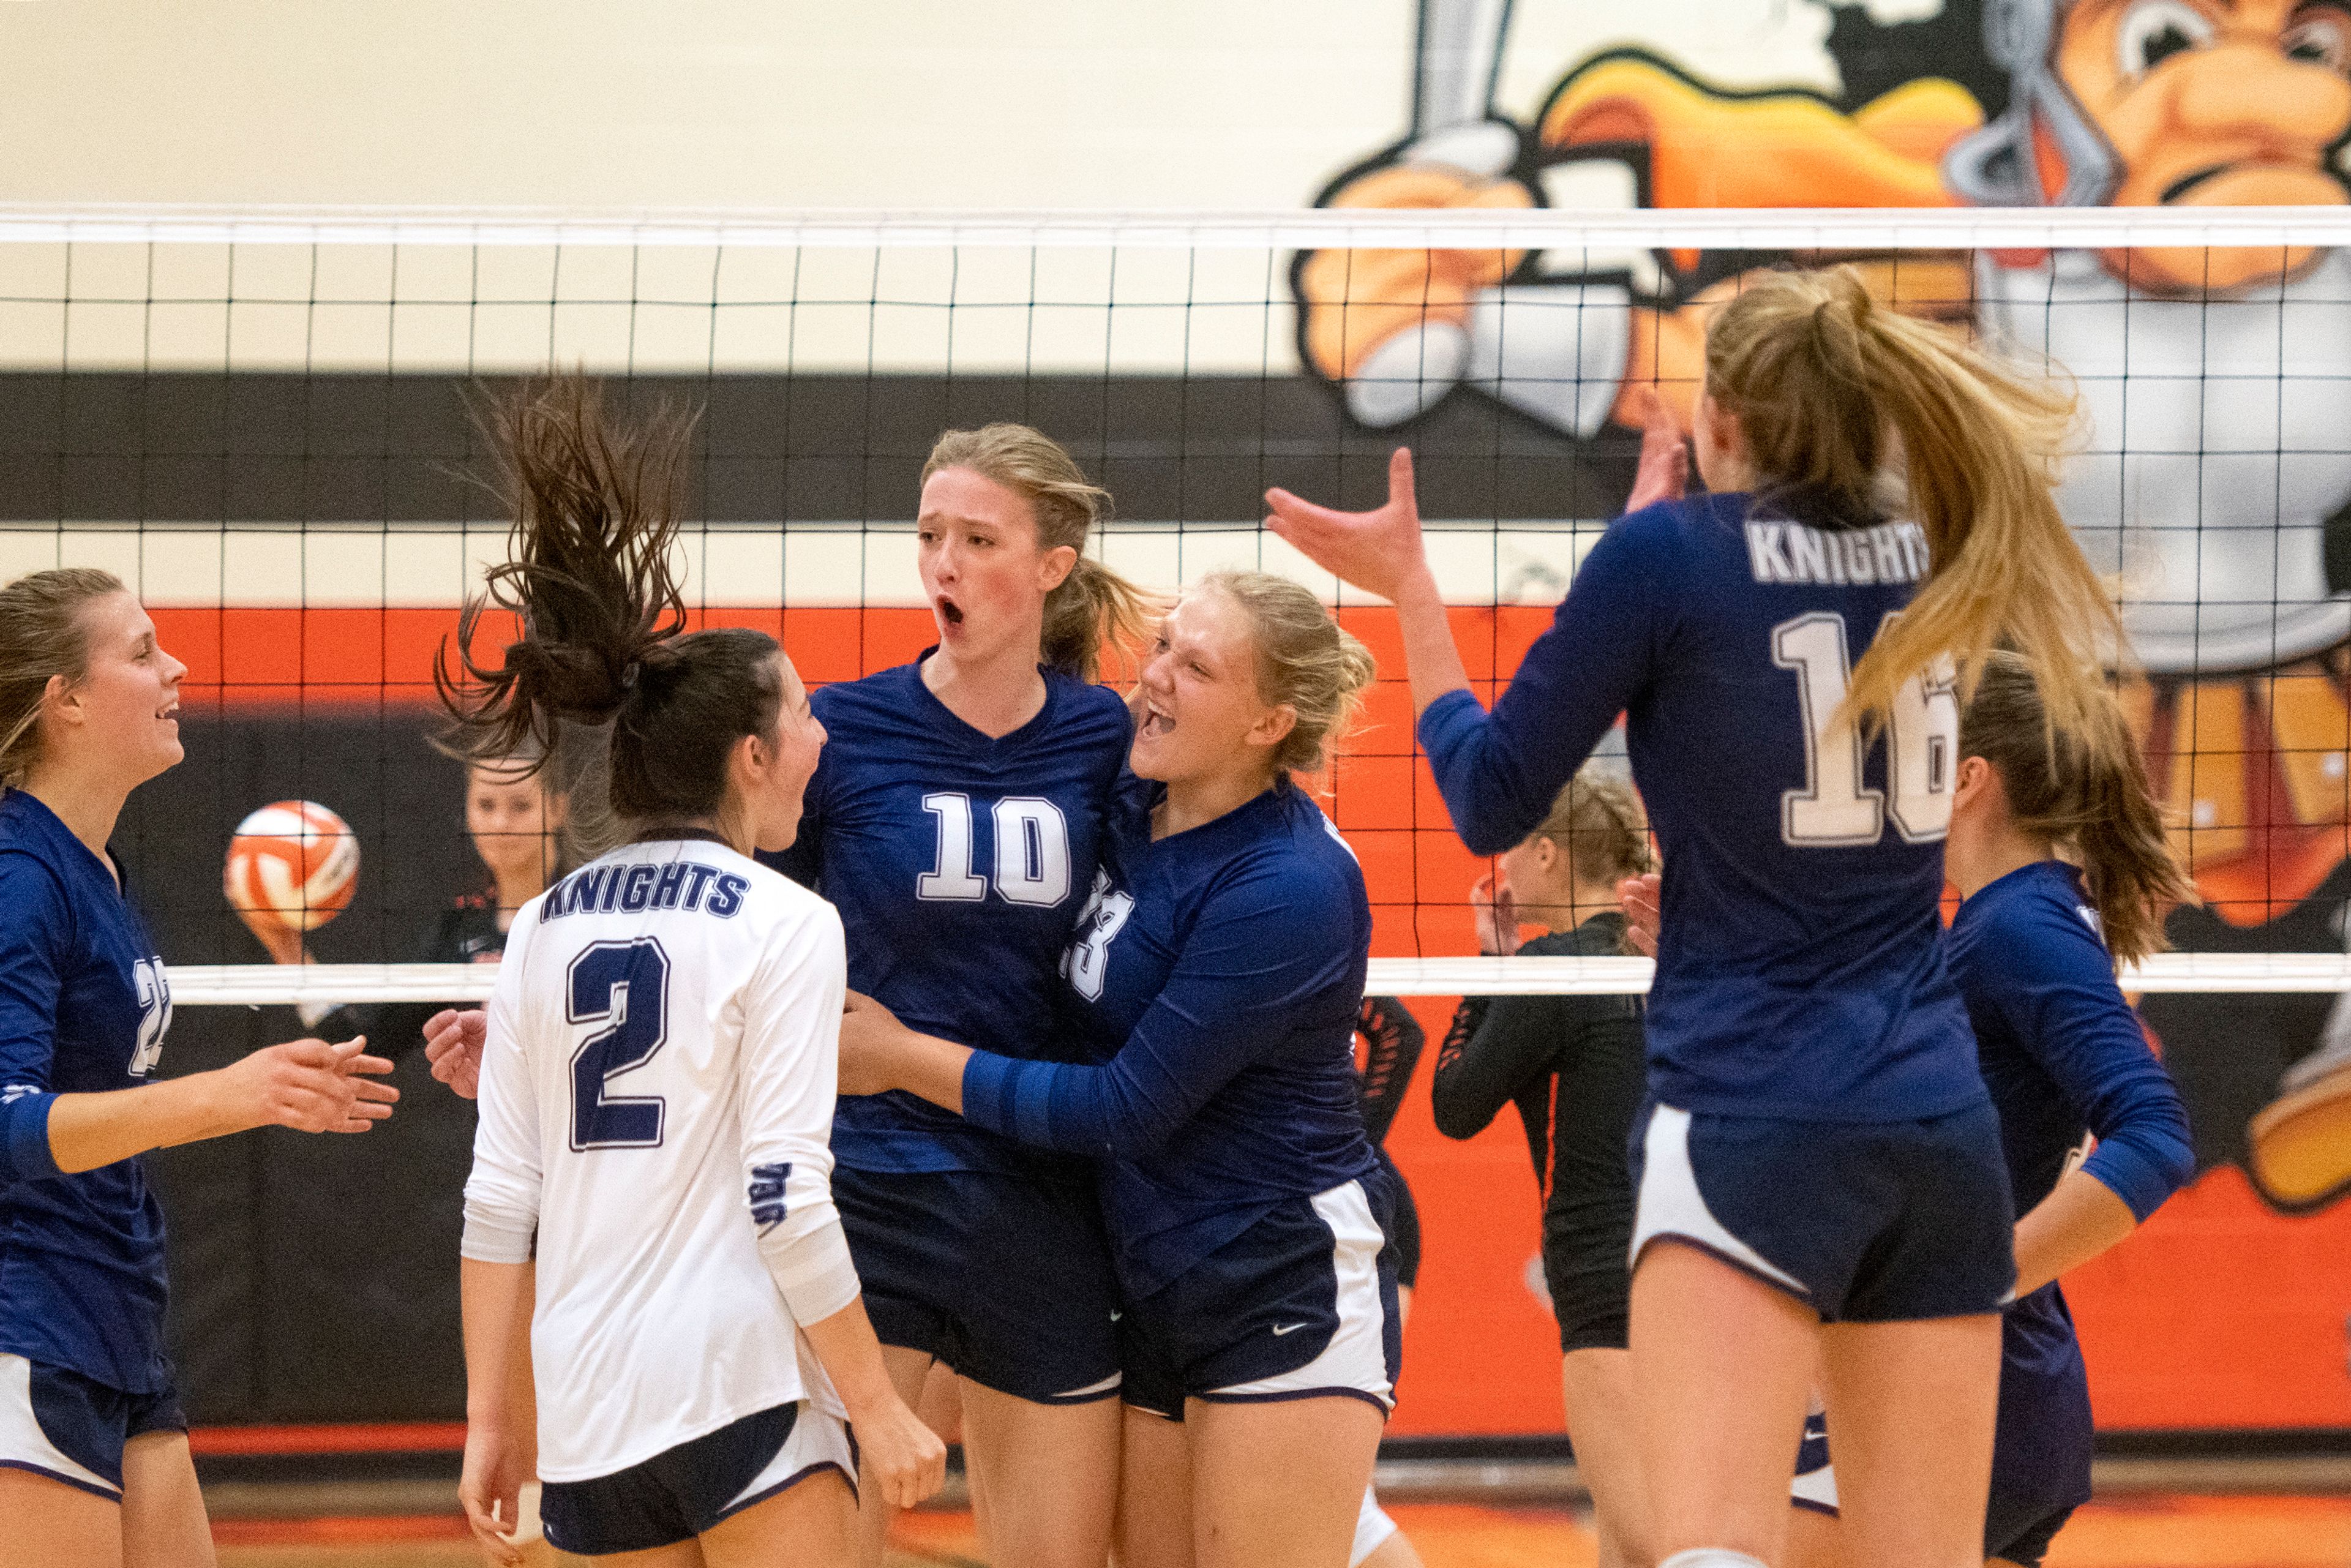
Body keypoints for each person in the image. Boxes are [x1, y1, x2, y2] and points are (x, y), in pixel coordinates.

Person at [1265, 263, 2123, 1568]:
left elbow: (1494, 797)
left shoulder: (1667, 556)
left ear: (1721, 417)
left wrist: (1415, 591)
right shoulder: (1940, 540)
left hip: (1752, 1111)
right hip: (1939, 1127)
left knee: (1708, 1545)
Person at [432, 421, 1152, 1568]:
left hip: (1040, 1184)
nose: (944, 564)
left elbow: (1140, 930)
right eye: (930, 537)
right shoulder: (850, 730)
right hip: (867, 1186)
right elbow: (717, 926)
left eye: (978, 538)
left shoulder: (1105, 736)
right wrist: (535, 1024)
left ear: (1053, 563)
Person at [441, 380, 945, 1567]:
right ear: (754, 754)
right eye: (807, 714)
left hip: (586, 1409)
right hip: (739, 1387)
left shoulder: (544, 923)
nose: (827, 737)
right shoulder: (786, 918)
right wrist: (872, 1399)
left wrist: (490, 1416)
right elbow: (786, 1192)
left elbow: (498, 1200)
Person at [836, 571, 1392, 1568]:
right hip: (1150, 1284)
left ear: (1270, 720)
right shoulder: (1136, 800)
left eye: (1197, 665)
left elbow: (1126, 1107)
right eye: (1165, 647)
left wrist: (899, 1058)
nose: (1156, 678)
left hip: (1273, 1274)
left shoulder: (1288, 885)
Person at [0, 566, 399, 1568]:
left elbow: (111, 1106)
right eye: (141, 651)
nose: (176, 665)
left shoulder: (93, 867)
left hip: (113, 1313)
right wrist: (226, 1091)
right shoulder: (18, 878)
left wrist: (262, 1096)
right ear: (68, 700)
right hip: (27, 1313)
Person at [1764, 650, 2193, 1568]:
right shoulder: (1997, 919)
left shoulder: (2020, 925)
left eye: (1913, 751)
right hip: (1973, 1378)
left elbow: (2153, 1134)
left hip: (1971, 1379)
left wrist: (1979, 1279)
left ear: (1967, 779)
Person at [1430, 763, 1653, 1568]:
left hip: (1602, 1283)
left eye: (1516, 846)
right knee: (1636, 1542)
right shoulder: (1673, 954)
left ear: (1553, 856)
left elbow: (1454, 1104)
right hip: (1700, 1267)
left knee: (1648, 1541)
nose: (1504, 866)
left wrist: (1491, 970)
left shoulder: (1551, 968)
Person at [1351, 995, 1426, 1568]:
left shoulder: (1304, 922)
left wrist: (1346, 1152)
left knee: (1347, 1498)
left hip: (1359, 1218)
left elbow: (1402, 1031)